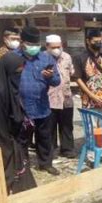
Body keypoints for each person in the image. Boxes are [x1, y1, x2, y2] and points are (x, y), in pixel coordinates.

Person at [16, 26, 61, 176]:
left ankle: (46, 164)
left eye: (36, 45)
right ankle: (24, 167)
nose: (34, 48)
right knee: (22, 139)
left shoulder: (46, 58)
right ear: (22, 42)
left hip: (42, 106)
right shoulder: (13, 58)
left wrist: (50, 76)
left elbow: (57, 81)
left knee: (44, 137)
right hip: (22, 107)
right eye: (30, 44)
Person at [0, 48, 37, 193]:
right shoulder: (0, 91)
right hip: (3, 138)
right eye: (17, 72)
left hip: (11, 136)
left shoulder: (9, 85)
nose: (19, 76)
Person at [73, 29, 102, 124]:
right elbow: (77, 78)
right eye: (95, 42)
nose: (98, 44)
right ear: (88, 41)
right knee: (91, 129)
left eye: (99, 41)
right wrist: (91, 95)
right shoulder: (80, 57)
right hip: (89, 99)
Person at [46, 34, 76, 159]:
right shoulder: (42, 59)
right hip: (49, 99)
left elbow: (72, 72)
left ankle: (67, 149)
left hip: (66, 97)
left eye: (59, 46)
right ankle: (51, 150)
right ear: (47, 47)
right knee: (50, 126)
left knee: (67, 125)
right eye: (53, 47)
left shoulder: (67, 57)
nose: (57, 49)